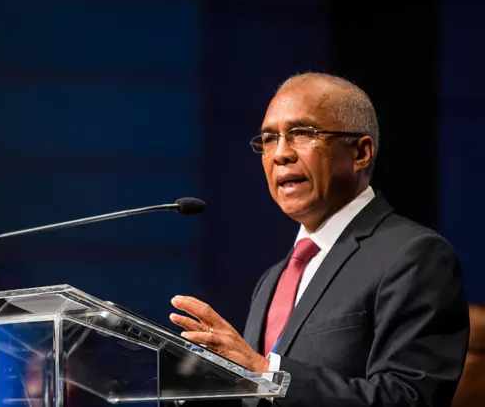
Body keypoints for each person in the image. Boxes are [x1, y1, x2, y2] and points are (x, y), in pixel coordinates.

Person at [169, 73, 470, 406]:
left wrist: (267, 372)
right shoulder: (273, 279)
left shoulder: (415, 256)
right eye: (269, 139)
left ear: (361, 153)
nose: (280, 153)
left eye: (301, 133)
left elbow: (409, 399)